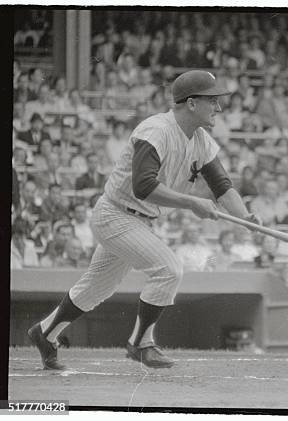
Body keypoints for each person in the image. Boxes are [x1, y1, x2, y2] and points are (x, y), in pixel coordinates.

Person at [27, 70, 261, 370]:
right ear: (191, 103)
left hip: (137, 220)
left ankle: (45, 333)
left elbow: (222, 185)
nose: (218, 107)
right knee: (169, 269)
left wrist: (245, 219)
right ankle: (141, 343)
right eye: (212, 100)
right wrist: (191, 202)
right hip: (115, 214)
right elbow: (144, 186)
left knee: (97, 288)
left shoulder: (200, 139)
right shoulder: (156, 130)